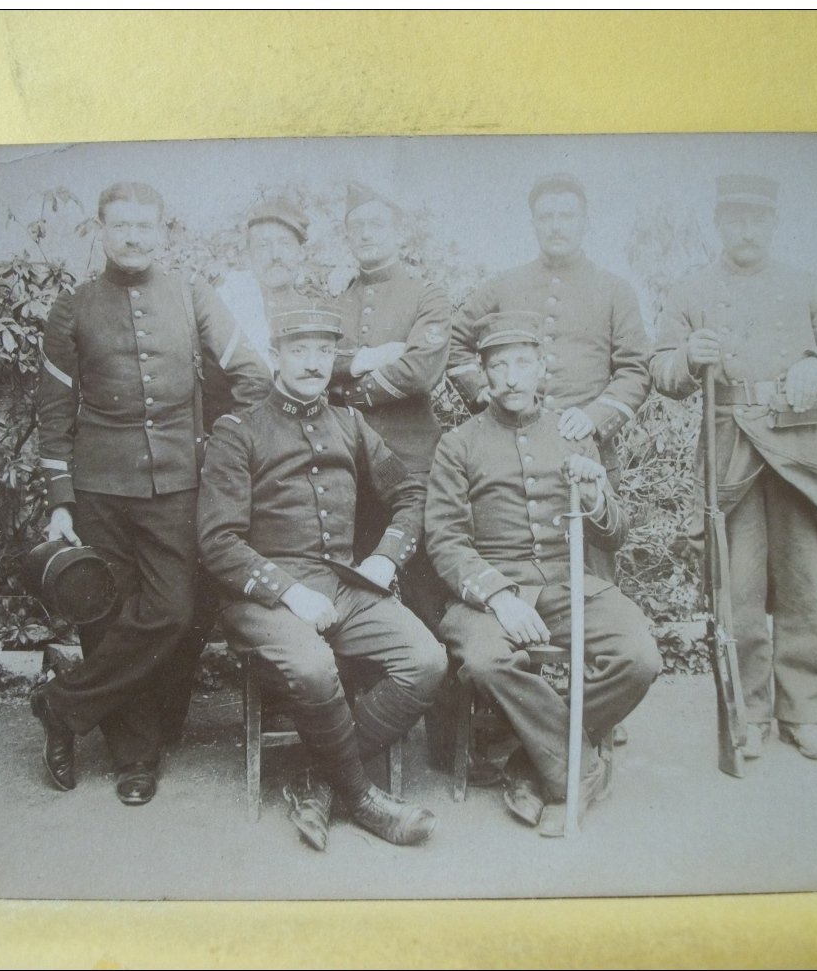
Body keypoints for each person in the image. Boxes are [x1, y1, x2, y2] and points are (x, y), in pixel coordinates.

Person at [29, 181, 271, 806]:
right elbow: (54, 413)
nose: (134, 236)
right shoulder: (73, 307)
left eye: (145, 225)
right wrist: (60, 500)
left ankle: (62, 704)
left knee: (174, 610)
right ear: (102, 231)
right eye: (121, 225)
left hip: (178, 485)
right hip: (100, 487)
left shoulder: (191, 294)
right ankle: (136, 758)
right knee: (107, 615)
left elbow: (251, 373)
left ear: (163, 231)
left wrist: (223, 449)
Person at [198, 303, 445, 851]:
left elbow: (410, 493)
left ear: (335, 358)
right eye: (299, 350)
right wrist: (289, 592)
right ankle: (361, 799)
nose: (313, 363)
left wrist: (385, 558)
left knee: (426, 661)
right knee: (312, 668)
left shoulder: (350, 423)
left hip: (341, 583)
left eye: (323, 351)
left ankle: (318, 779)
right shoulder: (238, 431)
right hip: (263, 595)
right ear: (276, 356)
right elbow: (217, 541)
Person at [650, 174, 817, 761]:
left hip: (801, 448)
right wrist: (684, 358)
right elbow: (658, 368)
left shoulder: (806, 286)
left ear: (773, 224)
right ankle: (747, 713)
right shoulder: (691, 290)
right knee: (738, 588)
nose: (745, 230)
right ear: (719, 224)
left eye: (757, 219)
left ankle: (805, 715)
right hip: (732, 453)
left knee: (803, 584)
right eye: (734, 218)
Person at [426, 310, 662, 836]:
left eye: (523, 364)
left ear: (541, 370)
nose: (511, 377)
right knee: (487, 661)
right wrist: (499, 597)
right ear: (485, 375)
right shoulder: (458, 443)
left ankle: (531, 763)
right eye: (500, 365)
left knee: (639, 656)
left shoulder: (573, 432)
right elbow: (443, 538)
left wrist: (598, 494)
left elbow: (614, 532)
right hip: (490, 592)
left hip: (567, 583)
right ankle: (576, 770)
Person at [445, 173, 652, 583]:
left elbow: (635, 370)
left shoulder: (615, 291)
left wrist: (594, 417)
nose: (556, 225)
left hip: (584, 450)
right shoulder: (503, 285)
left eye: (567, 215)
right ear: (534, 223)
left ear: (585, 221)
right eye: (546, 217)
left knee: (593, 581)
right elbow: (454, 343)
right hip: (507, 452)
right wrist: (485, 393)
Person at [329, 184, 454, 629]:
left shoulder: (427, 295)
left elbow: (421, 368)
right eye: (356, 226)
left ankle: (445, 699)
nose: (366, 233)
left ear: (399, 233)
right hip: (350, 465)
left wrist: (349, 392)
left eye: (377, 223)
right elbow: (316, 364)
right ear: (347, 236)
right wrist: (371, 358)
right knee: (354, 596)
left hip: (412, 465)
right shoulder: (334, 302)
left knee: (429, 597)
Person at [216, 197, 312, 372]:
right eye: (263, 245)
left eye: (285, 243)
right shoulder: (229, 309)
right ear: (248, 255)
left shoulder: (313, 312)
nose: (275, 254)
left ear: (301, 253)